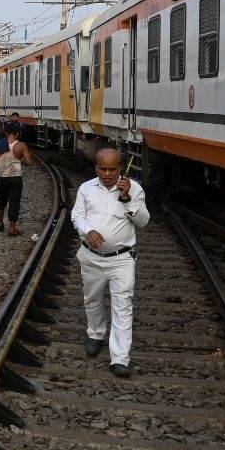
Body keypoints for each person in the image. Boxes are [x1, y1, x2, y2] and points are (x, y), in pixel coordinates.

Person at [70, 148, 149, 378]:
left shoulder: (134, 189)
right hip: (91, 257)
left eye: (112, 169)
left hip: (121, 259)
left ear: (120, 168)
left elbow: (143, 221)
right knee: (92, 299)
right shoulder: (86, 189)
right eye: (102, 169)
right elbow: (77, 216)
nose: (107, 174)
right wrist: (88, 231)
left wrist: (126, 198)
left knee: (122, 305)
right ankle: (95, 334)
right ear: (96, 168)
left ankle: (120, 358)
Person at [0, 121, 32, 235]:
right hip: (15, 179)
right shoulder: (21, 145)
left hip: (2, 178)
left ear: (6, 132)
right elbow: (28, 162)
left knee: (1, 201)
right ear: (17, 133)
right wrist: (18, 159)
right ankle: (12, 229)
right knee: (14, 203)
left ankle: (0, 223)